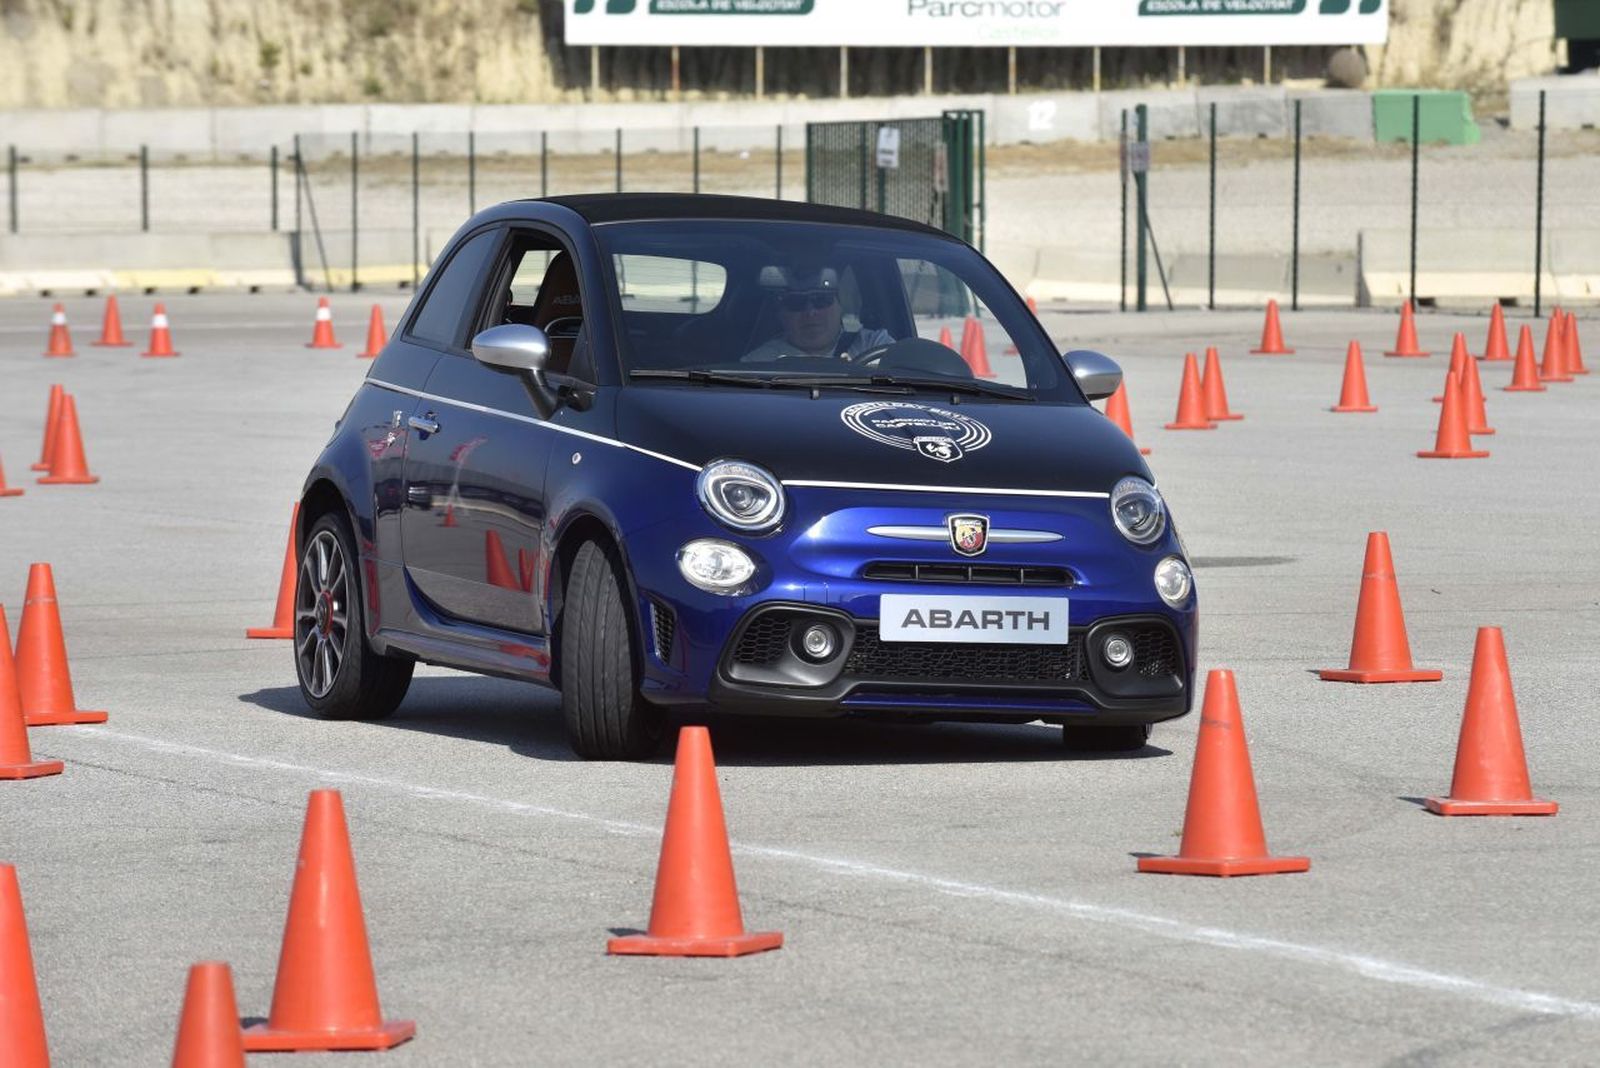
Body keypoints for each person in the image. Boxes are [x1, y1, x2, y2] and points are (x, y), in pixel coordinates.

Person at [741, 265, 893, 363]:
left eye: (822, 300)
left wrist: (861, 373)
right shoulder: (758, 363)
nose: (811, 313)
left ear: (840, 306)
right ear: (780, 315)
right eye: (796, 303)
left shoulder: (874, 346)